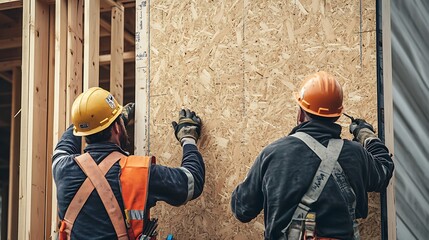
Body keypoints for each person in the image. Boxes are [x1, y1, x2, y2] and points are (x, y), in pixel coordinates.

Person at [230, 71, 394, 240]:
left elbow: (242, 210)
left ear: (301, 113)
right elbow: (384, 169)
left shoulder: (273, 154)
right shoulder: (355, 154)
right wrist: (365, 134)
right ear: (337, 115)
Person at [52, 87, 205, 239]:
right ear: (117, 128)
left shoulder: (62, 168)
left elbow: (65, 144)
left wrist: (100, 121)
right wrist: (188, 137)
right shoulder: (139, 172)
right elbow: (191, 182)